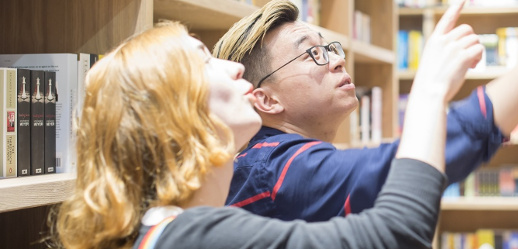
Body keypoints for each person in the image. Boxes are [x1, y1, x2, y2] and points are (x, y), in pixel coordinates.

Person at [50, 7, 475, 247]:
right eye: (202, 60)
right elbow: (395, 232)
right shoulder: (189, 237)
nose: (234, 68)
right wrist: (431, 91)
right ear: (172, 113)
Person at [213, 0, 518, 221]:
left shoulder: (273, 161)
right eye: (311, 53)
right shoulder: (272, 171)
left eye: (331, 47)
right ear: (266, 100)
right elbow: (404, 170)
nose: (335, 61)